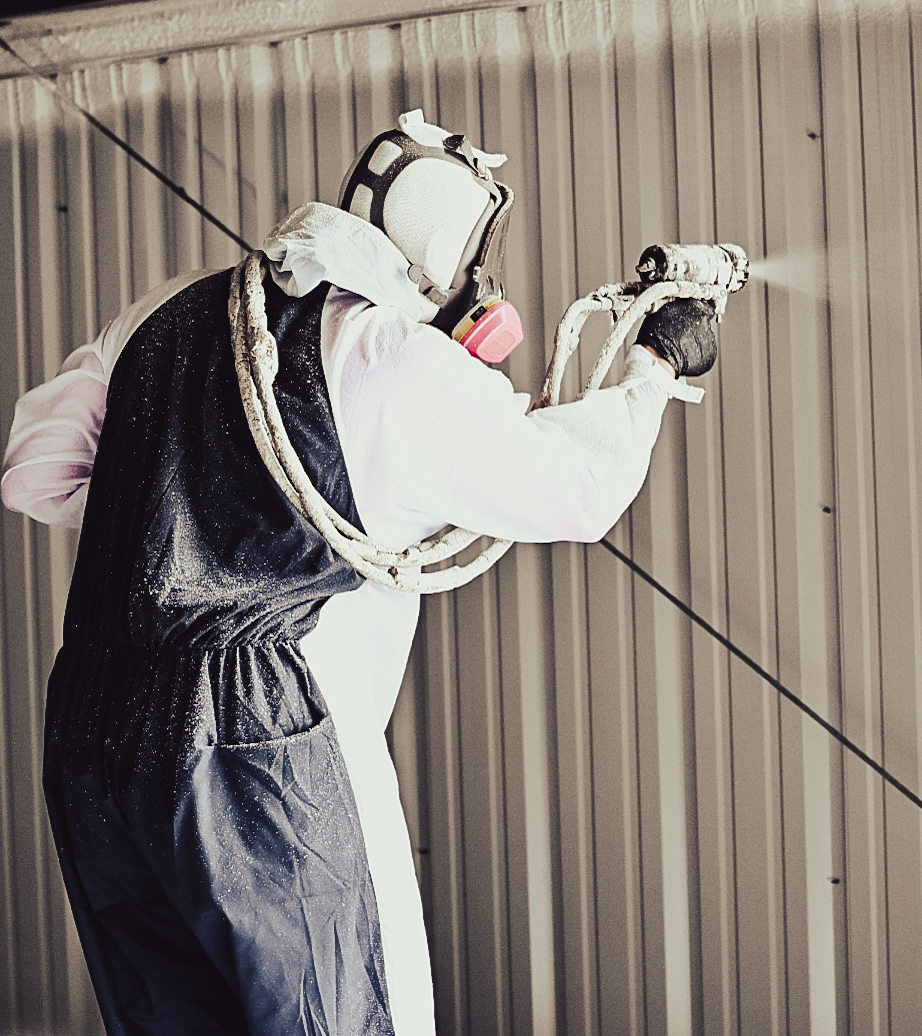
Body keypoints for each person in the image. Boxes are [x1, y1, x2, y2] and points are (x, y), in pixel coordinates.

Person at [1, 110, 719, 1036]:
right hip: (256, 739)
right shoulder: (390, 356)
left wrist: (182, 484)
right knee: (342, 1014)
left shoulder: (166, 307)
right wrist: (656, 366)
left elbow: (34, 472)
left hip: (95, 722)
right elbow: (577, 490)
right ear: (450, 260)